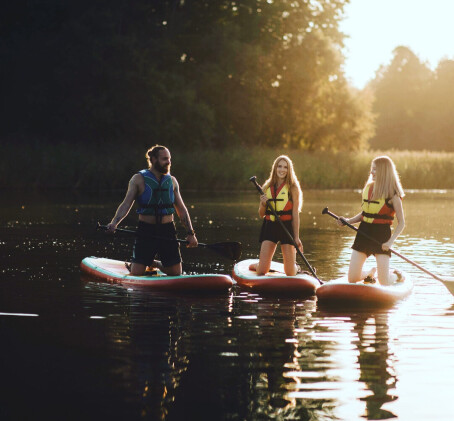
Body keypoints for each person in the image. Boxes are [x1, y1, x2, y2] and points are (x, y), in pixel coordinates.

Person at [106, 145, 198, 276]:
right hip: (146, 230)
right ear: (154, 159)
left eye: (169, 159)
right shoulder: (138, 179)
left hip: (167, 230)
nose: (169, 162)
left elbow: (182, 209)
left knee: (176, 273)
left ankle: (154, 263)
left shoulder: (172, 181)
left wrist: (191, 233)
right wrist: (114, 223)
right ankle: (138, 264)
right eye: (164, 159)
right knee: (137, 273)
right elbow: (126, 204)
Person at [337, 155, 405, 285]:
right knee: (352, 278)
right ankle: (369, 273)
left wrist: (390, 242)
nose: (372, 172)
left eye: (375, 169)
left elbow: (402, 223)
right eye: (372, 169)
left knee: (384, 281)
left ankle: (396, 275)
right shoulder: (369, 189)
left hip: (382, 236)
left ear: (384, 172)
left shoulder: (393, 195)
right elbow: (365, 214)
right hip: (364, 233)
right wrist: (348, 221)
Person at [251, 155, 303, 276]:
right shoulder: (266, 187)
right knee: (262, 271)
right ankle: (258, 265)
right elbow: (261, 214)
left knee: (290, 273)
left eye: (285, 167)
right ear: (275, 168)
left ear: (289, 170)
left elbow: (295, 214)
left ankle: (296, 267)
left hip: (287, 227)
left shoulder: (293, 188)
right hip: (270, 226)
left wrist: (296, 237)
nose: (282, 169)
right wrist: (263, 204)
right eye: (279, 166)